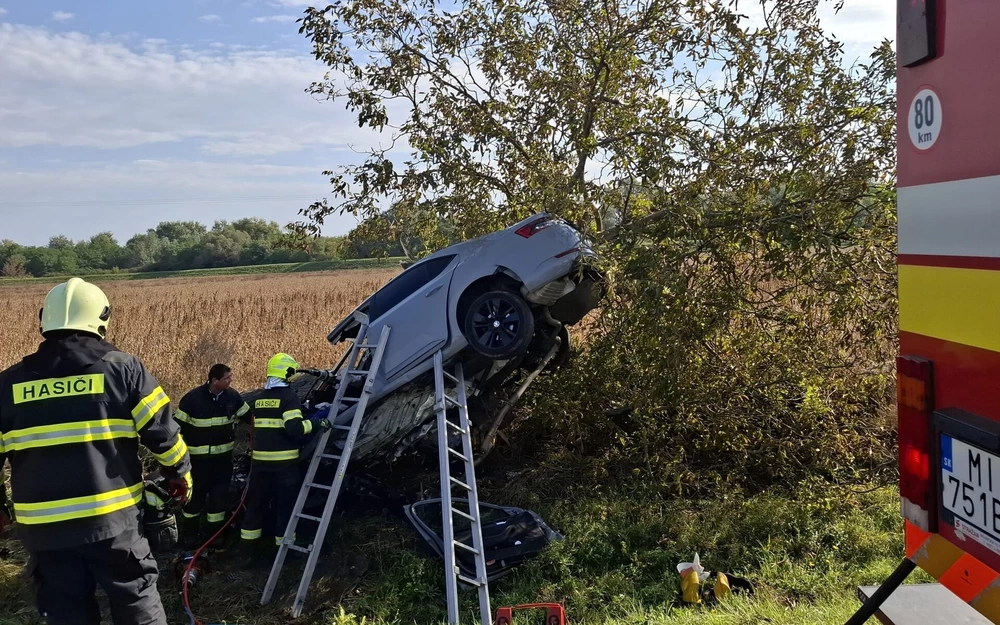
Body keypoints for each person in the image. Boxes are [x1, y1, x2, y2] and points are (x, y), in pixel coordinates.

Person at [0, 277, 192, 625]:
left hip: (44, 531)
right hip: (113, 523)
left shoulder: (7, 384)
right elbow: (163, 433)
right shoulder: (123, 369)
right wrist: (180, 473)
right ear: (102, 317)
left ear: (45, 318)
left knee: (67, 613)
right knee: (135, 601)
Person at [237, 353, 327, 563]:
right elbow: (294, 429)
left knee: (256, 506)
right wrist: (316, 423)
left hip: (259, 465)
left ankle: (247, 553)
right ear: (287, 373)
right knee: (285, 508)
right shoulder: (288, 397)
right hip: (284, 466)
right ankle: (284, 553)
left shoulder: (260, 399)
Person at [174, 364, 250, 544]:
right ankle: (190, 539)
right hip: (197, 464)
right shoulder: (192, 400)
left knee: (218, 502)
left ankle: (214, 539)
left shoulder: (233, 397)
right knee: (194, 502)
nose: (230, 380)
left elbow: (250, 417)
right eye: (227, 378)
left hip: (222, 463)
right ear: (214, 380)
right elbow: (175, 430)